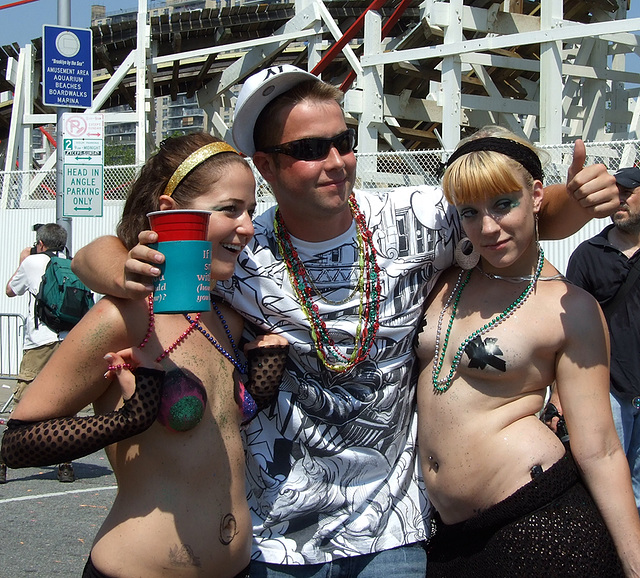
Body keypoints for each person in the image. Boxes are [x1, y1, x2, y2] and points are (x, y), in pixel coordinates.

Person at [71, 66, 621, 577]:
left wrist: (578, 201)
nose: (336, 160)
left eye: (344, 140)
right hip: (274, 543)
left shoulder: (418, 217)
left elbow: (520, 221)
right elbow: (95, 253)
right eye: (310, 149)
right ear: (265, 166)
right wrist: (120, 271)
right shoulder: (238, 247)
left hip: (393, 535)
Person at [1, 133, 289, 578]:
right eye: (229, 210)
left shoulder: (228, 319)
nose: (248, 226)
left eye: (250, 210)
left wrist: (259, 386)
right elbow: (17, 441)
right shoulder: (127, 318)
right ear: (172, 212)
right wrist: (122, 421)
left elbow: (211, 437)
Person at [415, 126, 640, 576]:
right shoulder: (444, 277)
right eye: (470, 212)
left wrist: (635, 562)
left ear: (536, 195)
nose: (488, 228)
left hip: (537, 526)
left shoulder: (569, 307)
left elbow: (600, 449)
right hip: (443, 534)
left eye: (504, 204)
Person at [566, 166, 640, 516]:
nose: (620, 199)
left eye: (628, 192)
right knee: (604, 488)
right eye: (616, 193)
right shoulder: (588, 254)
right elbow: (568, 331)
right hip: (606, 388)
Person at [4, 223, 75, 484]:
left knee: (23, 398)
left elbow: (11, 290)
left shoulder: (32, 262)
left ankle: (3, 461)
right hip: (68, 341)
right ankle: (65, 465)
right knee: (65, 402)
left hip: (39, 343)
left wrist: (23, 259)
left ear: (41, 244)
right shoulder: (71, 263)